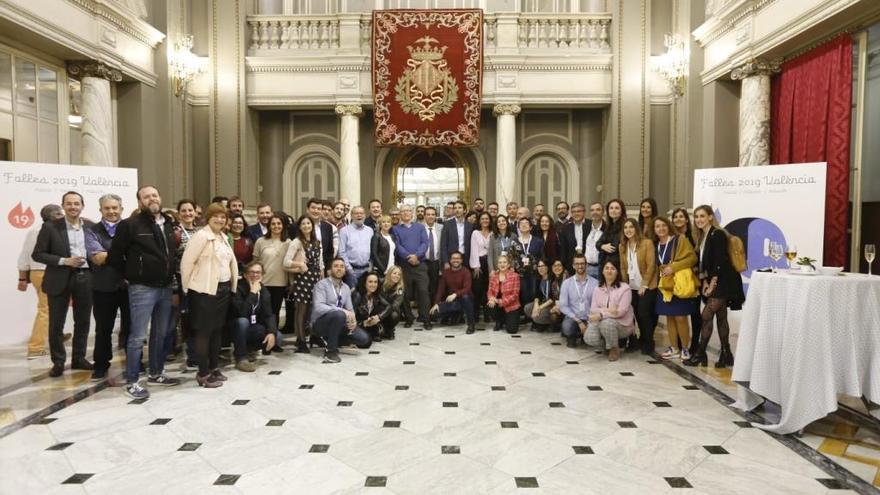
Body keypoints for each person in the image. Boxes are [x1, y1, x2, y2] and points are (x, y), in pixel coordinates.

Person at [108, 185, 181, 398]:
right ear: (140, 201)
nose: (152, 199)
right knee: (138, 336)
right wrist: (132, 275)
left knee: (161, 333)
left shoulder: (168, 224)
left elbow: (171, 255)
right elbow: (114, 257)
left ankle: (157, 373)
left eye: (155, 195)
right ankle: (132, 381)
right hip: (142, 288)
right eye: (146, 196)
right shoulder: (129, 225)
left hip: (165, 287)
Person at [32, 192, 94, 378]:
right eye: (69, 203)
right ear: (63, 206)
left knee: (82, 321)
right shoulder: (50, 227)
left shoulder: (91, 226)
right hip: (58, 278)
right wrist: (63, 261)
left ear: (82, 206)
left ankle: (79, 358)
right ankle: (58, 361)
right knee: (56, 323)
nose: (73, 207)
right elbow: (38, 254)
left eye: (76, 203)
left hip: (85, 277)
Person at [181, 203, 237, 387]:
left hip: (222, 289)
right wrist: (187, 288)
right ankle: (203, 373)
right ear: (208, 217)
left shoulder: (223, 237)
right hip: (204, 291)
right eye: (216, 216)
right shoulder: (201, 236)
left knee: (217, 330)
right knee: (204, 332)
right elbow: (187, 263)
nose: (220, 220)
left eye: (223, 217)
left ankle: (214, 368)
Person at [685, 205, 745, 368]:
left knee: (707, 315)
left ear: (711, 217)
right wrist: (704, 280)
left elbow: (720, 262)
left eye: (702, 216)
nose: (699, 219)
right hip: (716, 279)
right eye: (696, 217)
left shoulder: (717, 234)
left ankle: (700, 353)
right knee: (721, 317)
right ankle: (726, 354)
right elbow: (705, 264)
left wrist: (712, 284)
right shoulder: (703, 235)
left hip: (725, 280)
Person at [84, 194, 130, 381]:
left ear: (121, 209)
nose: (111, 211)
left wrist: (108, 255)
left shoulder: (130, 228)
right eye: (107, 208)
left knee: (131, 328)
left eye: (115, 208)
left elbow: (135, 256)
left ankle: (134, 362)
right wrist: (122, 255)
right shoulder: (91, 230)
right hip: (103, 287)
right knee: (103, 329)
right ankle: (101, 365)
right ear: (101, 210)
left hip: (129, 286)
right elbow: (97, 258)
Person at [18, 204, 64, 359]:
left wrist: (22, 277)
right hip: (47, 272)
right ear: (56, 215)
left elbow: (24, 255)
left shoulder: (33, 230)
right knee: (46, 309)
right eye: (61, 213)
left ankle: (56, 336)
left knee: (53, 306)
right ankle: (36, 347)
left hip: (36, 273)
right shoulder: (53, 230)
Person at [311, 258, 372, 363]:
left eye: (342, 266)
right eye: (336, 266)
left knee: (364, 340)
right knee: (339, 314)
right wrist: (341, 311)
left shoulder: (346, 288)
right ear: (330, 270)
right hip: (320, 323)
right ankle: (330, 351)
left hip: (340, 323)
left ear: (345, 271)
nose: (339, 269)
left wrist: (353, 322)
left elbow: (350, 309)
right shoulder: (321, 285)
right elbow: (318, 308)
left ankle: (327, 339)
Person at [653, 216, 697, 361]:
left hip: (678, 284)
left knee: (681, 317)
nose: (661, 229)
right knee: (670, 317)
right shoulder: (656, 245)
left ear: (668, 226)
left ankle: (685, 348)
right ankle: (674, 348)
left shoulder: (679, 240)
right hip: (665, 285)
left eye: (663, 225)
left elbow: (692, 259)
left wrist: (673, 267)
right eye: (657, 226)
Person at [283, 215, 324, 353]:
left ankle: (314, 336)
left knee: (314, 310)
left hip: (316, 278)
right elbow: (286, 262)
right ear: (299, 227)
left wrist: (322, 280)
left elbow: (321, 264)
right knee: (301, 311)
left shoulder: (317, 242)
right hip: (302, 279)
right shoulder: (296, 242)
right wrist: (300, 264)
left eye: (308, 223)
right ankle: (300, 341)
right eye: (303, 224)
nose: (306, 226)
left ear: (312, 225)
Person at [619, 218, 658, 355]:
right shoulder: (622, 246)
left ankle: (648, 342)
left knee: (643, 314)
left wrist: (644, 284)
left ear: (636, 228)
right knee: (634, 314)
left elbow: (651, 265)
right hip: (631, 286)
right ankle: (637, 341)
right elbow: (623, 268)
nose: (628, 230)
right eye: (625, 227)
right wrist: (624, 286)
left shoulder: (646, 243)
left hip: (647, 285)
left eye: (631, 227)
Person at [230, 261, 276, 372]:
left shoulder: (263, 290)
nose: (255, 275)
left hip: (253, 326)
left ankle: (250, 349)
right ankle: (240, 357)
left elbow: (269, 314)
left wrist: (271, 332)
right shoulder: (237, 288)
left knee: (276, 336)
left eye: (258, 272)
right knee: (243, 322)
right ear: (245, 274)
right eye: (252, 272)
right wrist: (252, 293)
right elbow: (242, 313)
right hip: (233, 328)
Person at [391, 205, 432, 329]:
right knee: (404, 293)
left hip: (420, 264)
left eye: (408, 211)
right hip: (404, 265)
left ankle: (426, 318)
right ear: (400, 214)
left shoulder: (420, 227)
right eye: (403, 211)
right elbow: (397, 246)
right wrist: (409, 257)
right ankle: (409, 317)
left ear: (412, 212)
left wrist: (417, 256)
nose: (406, 213)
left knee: (423, 292)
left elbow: (425, 243)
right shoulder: (395, 229)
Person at [586, 261, 635, 361]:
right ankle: (608, 342)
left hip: (623, 325)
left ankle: (614, 349)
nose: (609, 271)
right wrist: (608, 310)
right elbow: (593, 309)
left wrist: (601, 315)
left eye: (612, 268)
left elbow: (621, 312)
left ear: (617, 272)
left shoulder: (625, 288)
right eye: (606, 268)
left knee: (606, 323)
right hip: (603, 321)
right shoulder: (597, 288)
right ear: (602, 271)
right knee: (589, 338)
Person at [172, 199, 200, 367]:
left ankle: (202, 351)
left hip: (201, 283)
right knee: (187, 319)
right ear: (179, 213)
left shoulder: (201, 231)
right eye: (184, 211)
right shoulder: (175, 233)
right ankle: (192, 354)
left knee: (200, 319)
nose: (188, 214)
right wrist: (175, 289)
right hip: (183, 284)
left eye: (190, 210)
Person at [672, 207, 702, 356]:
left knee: (694, 313)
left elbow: (697, 257)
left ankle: (695, 344)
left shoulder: (694, 236)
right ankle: (680, 343)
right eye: (675, 217)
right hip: (677, 281)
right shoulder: (672, 237)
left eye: (681, 216)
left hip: (692, 280)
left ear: (686, 219)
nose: (678, 219)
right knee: (678, 314)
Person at [252, 214, 290, 332]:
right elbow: (255, 261)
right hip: (263, 282)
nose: (276, 226)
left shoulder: (288, 242)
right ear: (269, 226)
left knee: (275, 312)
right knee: (263, 312)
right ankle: (261, 338)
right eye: (273, 224)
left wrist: (291, 283)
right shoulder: (260, 241)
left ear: (283, 226)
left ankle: (273, 338)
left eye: (279, 223)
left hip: (280, 283)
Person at [558, 254, 599, 348]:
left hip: (589, 318)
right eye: (577, 264)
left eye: (582, 263)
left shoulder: (595, 283)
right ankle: (572, 336)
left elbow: (597, 305)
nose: (580, 266)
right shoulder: (566, 283)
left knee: (593, 337)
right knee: (567, 327)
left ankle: (584, 335)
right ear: (573, 265)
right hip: (574, 318)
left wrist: (590, 321)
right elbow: (563, 306)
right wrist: (578, 321)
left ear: (586, 265)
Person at [430, 251, 476, 333]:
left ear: (461, 260)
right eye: (453, 258)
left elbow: (467, 288)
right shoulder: (446, 272)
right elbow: (440, 289)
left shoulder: (466, 272)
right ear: (450, 260)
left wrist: (455, 294)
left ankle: (471, 325)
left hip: (466, 300)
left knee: (465, 296)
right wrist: (436, 303)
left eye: (458, 258)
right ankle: (456, 315)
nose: (456, 260)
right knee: (434, 314)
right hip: (453, 302)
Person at [338, 206, 373, 288]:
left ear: (364, 215)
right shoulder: (344, 231)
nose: (359, 215)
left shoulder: (370, 231)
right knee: (353, 297)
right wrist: (349, 269)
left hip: (367, 270)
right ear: (351, 216)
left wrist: (371, 266)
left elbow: (373, 250)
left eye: (361, 213)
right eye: (356, 213)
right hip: (352, 271)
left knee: (365, 296)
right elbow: (341, 252)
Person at [523, 259, 562, 332]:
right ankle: (541, 324)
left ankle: (552, 324)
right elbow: (537, 295)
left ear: (547, 267)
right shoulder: (539, 278)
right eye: (539, 266)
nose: (540, 268)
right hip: (543, 303)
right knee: (527, 308)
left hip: (552, 304)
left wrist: (539, 308)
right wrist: (536, 305)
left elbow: (552, 298)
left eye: (543, 266)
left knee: (537, 317)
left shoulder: (553, 278)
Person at [353, 272, 392, 342]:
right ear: (364, 283)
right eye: (370, 282)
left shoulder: (375, 294)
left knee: (391, 313)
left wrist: (378, 317)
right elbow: (351, 317)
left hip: (368, 323)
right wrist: (363, 323)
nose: (373, 284)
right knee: (366, 341)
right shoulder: (357, 295)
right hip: (357, 325)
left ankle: (378, 332)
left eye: (375, 282)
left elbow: (389, 306)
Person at [469, 211, 494, 323]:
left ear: (490, 221)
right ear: (479, 221)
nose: (485, 221)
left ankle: (488, 313)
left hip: (490, 263)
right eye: (483, 219)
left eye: (487, 219)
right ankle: (475, 314)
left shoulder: (493, 233)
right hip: (478, 263)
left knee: (489, 289)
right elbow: (473, 250)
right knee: (478, 289)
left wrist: (492, 267)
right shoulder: (475, 233)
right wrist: (475, 266)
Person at [487, 254, 520, 333]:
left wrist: (500, 301)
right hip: (497, 305)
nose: (502, 264)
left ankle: (506, 318)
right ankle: (499, 321)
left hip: (511, 306)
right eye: (500, 262)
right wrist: (491, 299)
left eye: (504, 262)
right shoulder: (493, 276)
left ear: (508, 264)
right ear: (497, 264)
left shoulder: (515, 276)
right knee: (489, 305)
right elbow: (489, 291)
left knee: (512, 330)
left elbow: (515, 295)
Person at [514, 217, 543, 307]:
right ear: (518, 227)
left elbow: (541, 256)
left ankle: (532, 313)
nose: (523, 225)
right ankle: (525, 313)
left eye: (526, 223)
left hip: (534, 272)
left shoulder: (538, 241)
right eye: (521, 223)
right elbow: (512, 258)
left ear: (530, 227)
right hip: (520, 273)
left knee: (533, 292)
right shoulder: (514, 242)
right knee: (523, 293)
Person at [440, 200, 474, 271]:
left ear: (465, 210)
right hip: (451, 259)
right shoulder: (447, 224)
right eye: (455, 208)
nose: (457, 210)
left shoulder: (470, 226)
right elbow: (443, 245)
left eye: (459, 208)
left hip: (466, 259)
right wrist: (446, 262)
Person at [558, 202, 589, 274]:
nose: (576, 214)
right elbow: (563, 249)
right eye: (574, 212)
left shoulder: (591, 225)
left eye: (579, 211)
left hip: (589, 265)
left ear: (584, 212)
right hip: (572, 266)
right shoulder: (565, 228)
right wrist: (565, 267)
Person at [596, 198, 625, 268]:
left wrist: (603, 246)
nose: (613, 210)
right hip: (605, 263)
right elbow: (598, 243)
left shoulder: (625, 226)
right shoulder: (609, 226)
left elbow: (613, 247)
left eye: (617, 208)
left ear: (622, 211)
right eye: (611, 208)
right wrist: (602, 246)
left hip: (618, 265)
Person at [423, 206, 443, 301]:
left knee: (435, 287)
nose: (430, 216)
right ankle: (424, 311)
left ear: (436, 216)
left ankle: (434, 309)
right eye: (428, 214)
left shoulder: (441, 228)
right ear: (424, 216)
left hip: (436, 262)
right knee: (423, 288)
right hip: (422, 262)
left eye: (433, 214)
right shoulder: (419, 228)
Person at [380, 265, 405, 339]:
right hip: (378, 308)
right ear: (389, 274)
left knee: (394, 315)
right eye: (394, 273)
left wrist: (385, 310)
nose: (397, 276)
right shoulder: (380, 282)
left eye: (399, 274)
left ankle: (389, 330)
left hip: (390, 310)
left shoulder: (400, 289)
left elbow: (396, 305)